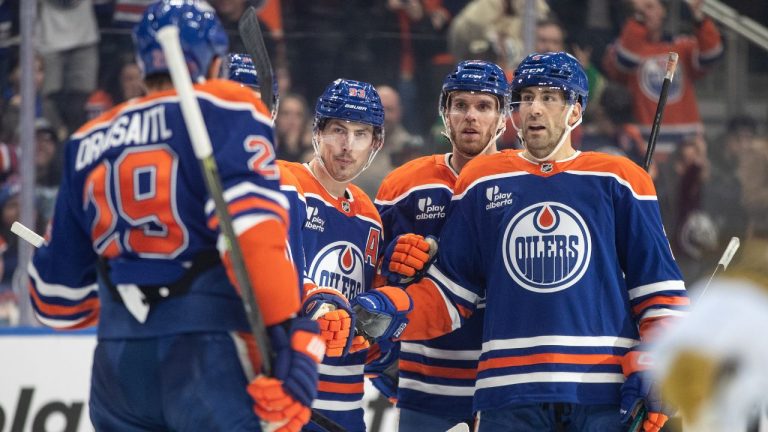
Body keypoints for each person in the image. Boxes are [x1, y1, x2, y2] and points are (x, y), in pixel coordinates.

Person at [352, 52, 689, 432]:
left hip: (601, 390)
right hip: (508, 392)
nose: (534, 109)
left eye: (549, 97)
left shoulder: (621, 178)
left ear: (576, 110)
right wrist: (391, 305)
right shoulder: (482, 179)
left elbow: (659, 288)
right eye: (526, 98)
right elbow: (452, 293)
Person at [26, 2, 322, 431]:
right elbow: (252, 237)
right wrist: (287, 340)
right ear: (216, 60)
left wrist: (129, 298)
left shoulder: (87, 139)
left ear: (142, 62)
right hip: (203, 355)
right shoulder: (228, 105)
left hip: (116, 368)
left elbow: (57, 301)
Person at [372, 59, 509, 431]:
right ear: (444, 113)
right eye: (460, 105)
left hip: (507, 382)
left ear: (503, 117)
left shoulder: (523, 181)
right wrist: (392, 265)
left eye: (483, 106)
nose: (471, 116)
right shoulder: (404, 185)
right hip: (425, 379)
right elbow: (375, 280)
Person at [276, 78, 387, 432]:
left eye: (360, 134)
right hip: (287, 392)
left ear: (376, 143)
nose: (347, 146)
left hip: (347, 402)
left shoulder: (370, 216)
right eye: (338, 130)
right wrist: (315, 301)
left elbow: (366, 317)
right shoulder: (285, 182)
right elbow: (274, 265)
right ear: (317, 131)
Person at [602, 0, 723, 162]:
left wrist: (699, 18)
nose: (645, 13)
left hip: (688, 144)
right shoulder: (623, 47)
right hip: (646, 143)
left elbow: (712, 56)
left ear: (663, 11)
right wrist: (637, 24)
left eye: (650, 7)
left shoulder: (682, 45)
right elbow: (624, 63)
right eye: (638, 10)